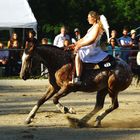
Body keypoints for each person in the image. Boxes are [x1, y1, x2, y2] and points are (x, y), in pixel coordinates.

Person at [71, 11, 109, 84]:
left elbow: (92, 40)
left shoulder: (97, 26)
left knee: (78, 54)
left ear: (94, 18)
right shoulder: (92, 27)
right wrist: (75, 44)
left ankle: (78, 78)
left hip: (92, 48)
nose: (87, 19)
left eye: (89, 17)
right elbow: (83, 38)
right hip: (87, 46)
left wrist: (80, 45)